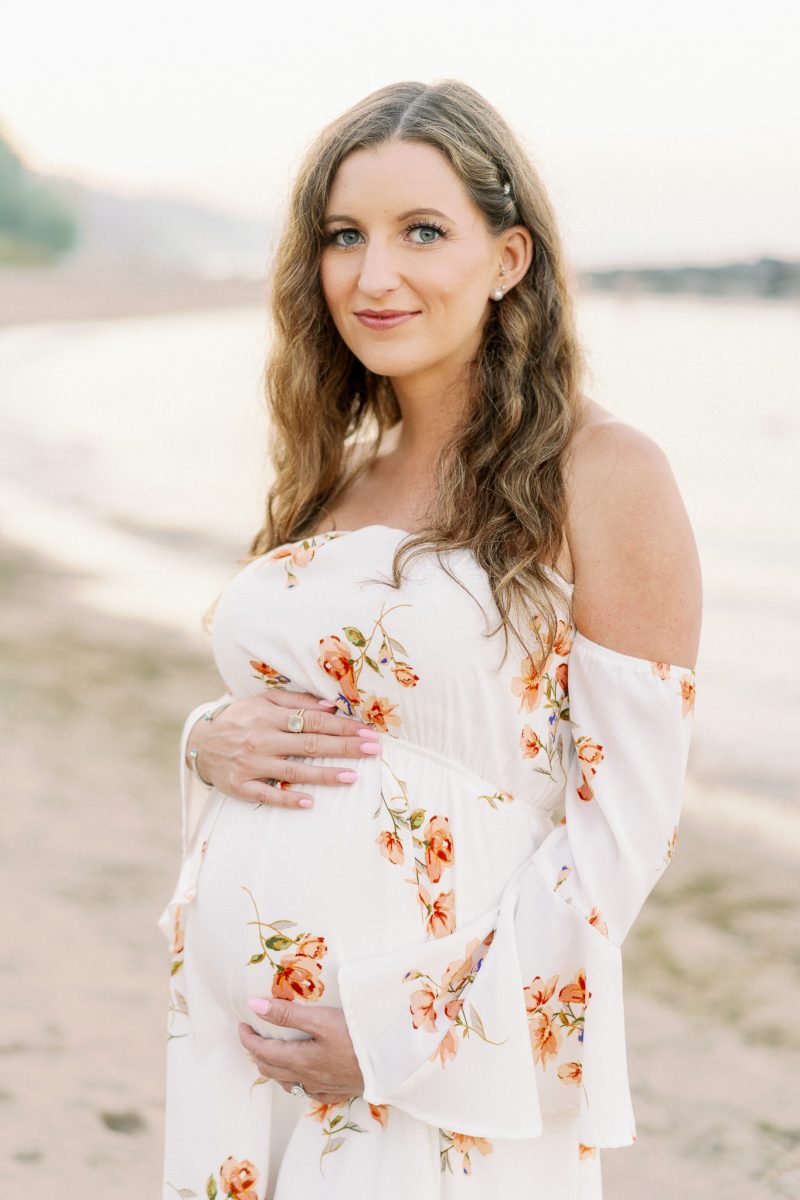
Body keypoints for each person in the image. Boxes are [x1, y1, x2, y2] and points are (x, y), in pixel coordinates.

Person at [159, 79, 701, 1200]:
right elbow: (336, 713)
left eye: (421, 233)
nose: (373, 275)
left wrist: (409, 1039)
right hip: (252, 1055)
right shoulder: (336, 475)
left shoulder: (604, 475)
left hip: (430, 1065)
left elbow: (621, 836)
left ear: (507, 259)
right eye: (343, 237)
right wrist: (208, 736)